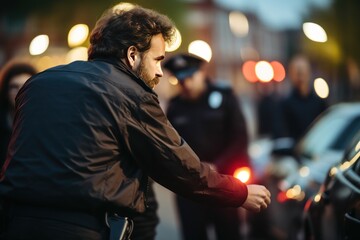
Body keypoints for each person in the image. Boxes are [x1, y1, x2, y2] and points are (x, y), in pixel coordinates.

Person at [0, 5, 271, 240]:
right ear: (132, 55)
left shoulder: (37, 84)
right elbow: (179, 166)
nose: (160, 72)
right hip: (84, 228)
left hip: (13, 224)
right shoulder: (132, 94)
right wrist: (240, 193)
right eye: (157, 60)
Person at [164, 53, 250, 240]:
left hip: (225, 183)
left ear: (201, 73)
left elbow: (240, 138)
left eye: (189, 77)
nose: (185, 84)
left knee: (230, 234)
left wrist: (216, 166)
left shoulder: (224, 98)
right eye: (180, 80)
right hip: (191, 189)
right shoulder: (175, 107)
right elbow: (170, 148)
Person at [275, 54, 328, 146]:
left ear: (309, 73)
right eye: (297, 72)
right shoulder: (284, 105)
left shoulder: (319, 103)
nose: (300, 77)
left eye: (303, 72)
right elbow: (281, 136)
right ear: (291, 75)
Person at [0, 60, 38, 168]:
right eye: (14, 87)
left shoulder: (45, 122)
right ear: (5, 91)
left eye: (25, 86)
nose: (19, 91)